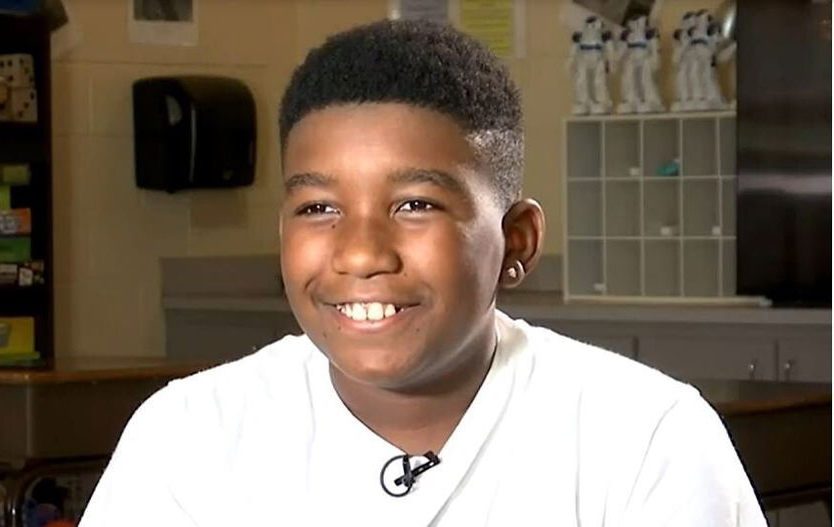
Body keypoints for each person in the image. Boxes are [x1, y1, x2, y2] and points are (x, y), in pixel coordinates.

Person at [80, 19, 765, 526]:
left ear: (517, 239)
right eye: (318, 208)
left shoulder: (645, 437)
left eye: (415, 204)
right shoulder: (190, 436)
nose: (360, 253)